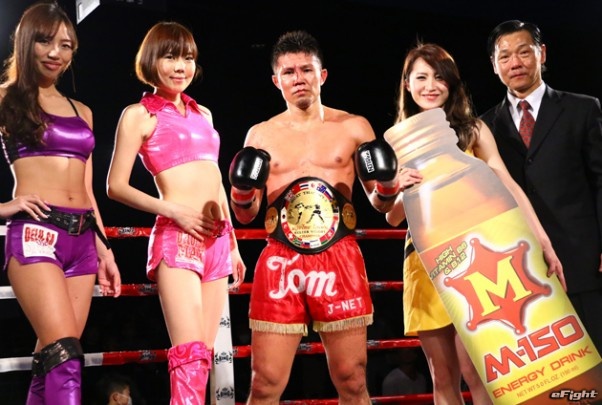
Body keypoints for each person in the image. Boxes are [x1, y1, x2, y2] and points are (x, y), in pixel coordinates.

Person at [385, 43, 564, 405]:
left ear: (451, 83)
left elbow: (508, 184)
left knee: (480, 373)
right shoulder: (398, 141)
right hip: (425, 262)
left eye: (440, 77)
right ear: (407, 83)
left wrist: (543, 241)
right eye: (421, 77)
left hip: (476, 261)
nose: (431, 86)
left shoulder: (472, 130)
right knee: (442, 377)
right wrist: (399, 188)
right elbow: (392, 217)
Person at [229, 30, 400, 405]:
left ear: (322, 75)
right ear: (276, 80)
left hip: (339, 256)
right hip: (281, 260)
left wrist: (389, 185)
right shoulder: (260, 134)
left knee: (352, 379)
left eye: (306, 69)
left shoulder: (354, 127)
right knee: (265, 382)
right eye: (289, 72)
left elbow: (380, 204)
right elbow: (246, 215)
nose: (299, 78)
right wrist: (240, 191)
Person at [106, 21, 246, 404]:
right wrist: (174, 211)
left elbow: (215, 180)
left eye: (187, 57)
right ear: (152, 61)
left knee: (202, 360)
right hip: (177, 237)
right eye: (170, 57)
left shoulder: (205, 114)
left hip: (217, 242)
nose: (181, 66)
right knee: (189, 357)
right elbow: (115, 186)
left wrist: (234, 244)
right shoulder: (138, 115)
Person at [0, 2, 121, 404]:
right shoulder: (5, 100)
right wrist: (5, 207)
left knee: (51, 361)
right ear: (25, 42)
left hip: (83, 241)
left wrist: (104, 249)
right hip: (36, 235)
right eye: (45, 41)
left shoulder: (81, 111)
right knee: (66, 356)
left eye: (66, 45)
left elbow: (87, 189)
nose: (56, 53)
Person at [480, 19, 602, 352]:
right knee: (554, 373)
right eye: (504, 56)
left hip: (583, 262)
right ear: (494, 65)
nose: (515, 63)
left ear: (542, 54)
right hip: (522, 275)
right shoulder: (484, 127)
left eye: (523, 52)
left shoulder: (582, 109)